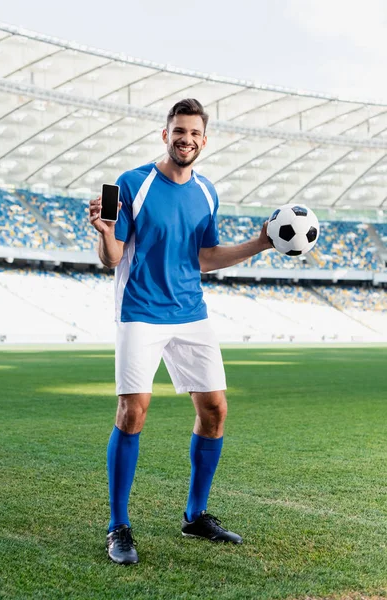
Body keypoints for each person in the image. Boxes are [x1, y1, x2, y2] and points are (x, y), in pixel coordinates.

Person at [89, 98, 272, 566]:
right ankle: (118, 527)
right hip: (141, 311)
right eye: (178, 131)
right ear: (164, 134)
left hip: (191, 312)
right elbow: (111, 258)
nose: (185, 139)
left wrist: (261, 242)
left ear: (204, 140)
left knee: (215, 409)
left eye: (193, 133)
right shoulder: (133, 183)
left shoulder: (208, 191)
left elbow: (204, 257)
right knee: (133, 411)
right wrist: (106, 232)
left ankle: (194, 516)